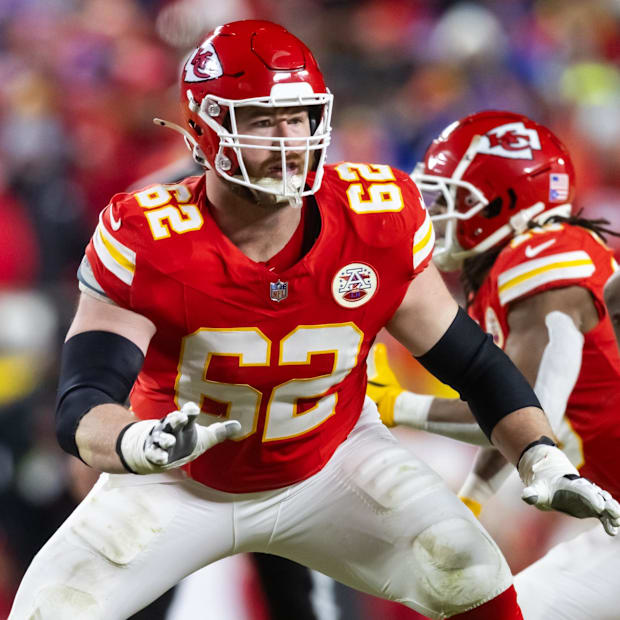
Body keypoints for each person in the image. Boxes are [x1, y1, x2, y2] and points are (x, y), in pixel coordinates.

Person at [9, 22, 619, 620]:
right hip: (178, 479)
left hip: (333, 463)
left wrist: (539, 456)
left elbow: (475, 365)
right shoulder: (148, 235)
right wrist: (138, 443)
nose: (287, 140)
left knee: (471, 573)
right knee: (51, 609)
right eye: (261, 121)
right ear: (204, 130)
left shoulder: (375, 219)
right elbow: (85, 398)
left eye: (297, 117)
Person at [367, 109, 620, 619]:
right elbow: (518, 420)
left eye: (452, 199)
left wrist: (396, 406)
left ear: (505, 202)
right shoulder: (524, 262)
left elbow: (524, 411)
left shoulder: (543, 262)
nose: (438, 214)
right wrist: (473, 500)